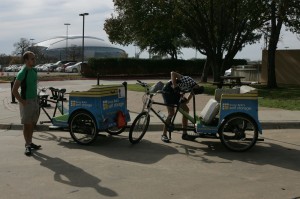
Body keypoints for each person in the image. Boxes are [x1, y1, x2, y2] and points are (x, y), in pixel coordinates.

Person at [161, 71, 204, 143]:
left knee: (186, 110)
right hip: (168, 91)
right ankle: (164, 134)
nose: (192, 92)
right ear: (196, 86)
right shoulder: (188, 80)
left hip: (176, 93)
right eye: (194, 91)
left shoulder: (193, 88)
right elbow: (172, 73)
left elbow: (191, 94)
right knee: (171, 113)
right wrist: (174, 85)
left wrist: (186, 100)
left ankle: (184, 134)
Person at [12, 51, 41, 156]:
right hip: (26, 102)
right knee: (27, 124)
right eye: (32, 59)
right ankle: (27, 145)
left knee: (32, 124)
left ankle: (30, 142)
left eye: (34, 58)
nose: (34, 60)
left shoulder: (34, 71)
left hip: (35, 101)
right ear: (26, 60)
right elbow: (14, 90)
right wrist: (22, 101)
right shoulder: (22, 72)